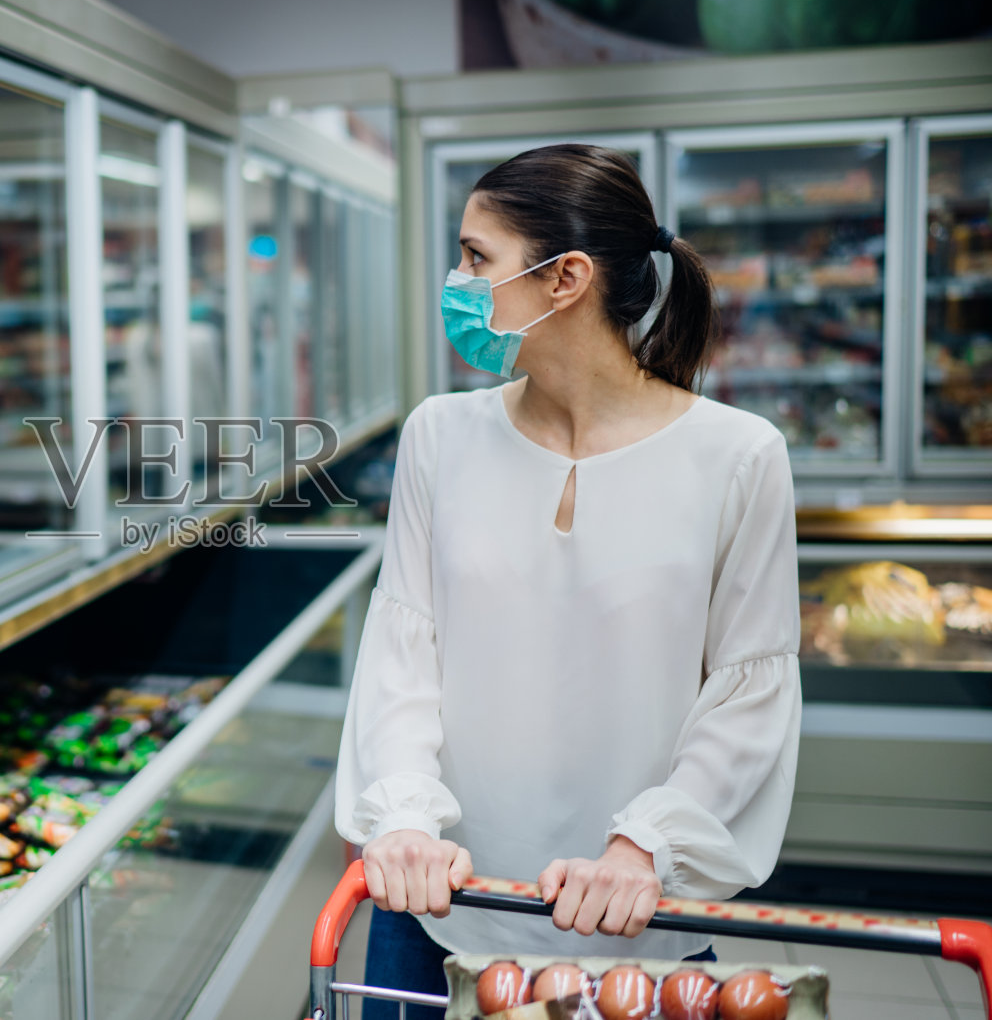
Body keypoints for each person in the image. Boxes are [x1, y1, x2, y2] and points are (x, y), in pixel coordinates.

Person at [335, 144, 801, 1018]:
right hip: (437, 908)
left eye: (477, 257)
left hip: (637, 917)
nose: (457, 279)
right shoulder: (439, 436)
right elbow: (405, 653)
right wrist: (400, 817)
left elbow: (748, 696)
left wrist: (644, 845)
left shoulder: (739, 458)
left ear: (566, 278)